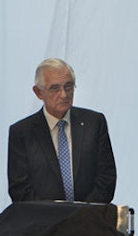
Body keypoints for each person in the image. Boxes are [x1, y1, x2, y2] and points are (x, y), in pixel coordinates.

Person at [7, 58, 117, 203]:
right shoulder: (22, 133)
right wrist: (55, 218)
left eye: (68, 86)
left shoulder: (94, 123)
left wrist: (81, 214)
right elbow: (20, 189)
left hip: (88, 219)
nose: (64, 95)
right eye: (55, 88)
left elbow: (106, 177)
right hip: (43, 223)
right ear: (38, 92)